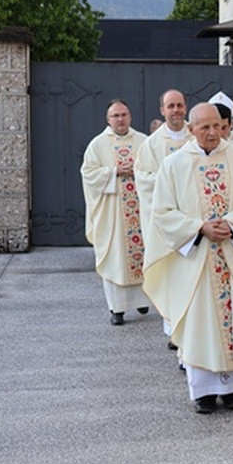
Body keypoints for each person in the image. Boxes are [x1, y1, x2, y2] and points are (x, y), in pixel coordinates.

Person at [144, 104, 233, 413]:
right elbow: (162, 212)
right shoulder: (175, 164)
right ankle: (202, 391)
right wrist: (199, 227)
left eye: (217, 126)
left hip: (232, 253)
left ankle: (232, 388)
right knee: (199, 323)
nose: (213, 133)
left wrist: (232, 223)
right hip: (195, 259)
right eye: (204, 127)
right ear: (190, 130)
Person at [81, 99, 151, 325]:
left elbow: (156, 169)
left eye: (124, 115)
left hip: (140, 212)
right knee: (116, 258)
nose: (120, 119)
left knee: (144, 253)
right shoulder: (98, 144)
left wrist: (137, 172)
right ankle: (117, 309)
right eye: (115, 116)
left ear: (130, 117)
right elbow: (88, 174)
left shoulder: (144, 141)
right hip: (113, 215)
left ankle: (143, 301)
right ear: (108, 119)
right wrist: (115, 171)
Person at [135, 89, 192, 346]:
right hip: (168, 224)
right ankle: (172, 328)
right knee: (171, 276)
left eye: (179, 105)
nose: (176, 110)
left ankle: (192, 329)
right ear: (162, 110)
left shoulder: (198, 134)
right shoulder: (152, 144)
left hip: (195, 221)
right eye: (171, 106)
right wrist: (170, 181)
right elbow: (143, 179)